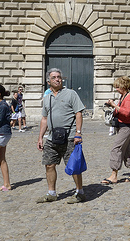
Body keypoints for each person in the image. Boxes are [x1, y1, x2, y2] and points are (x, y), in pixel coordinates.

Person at [36, 68, 86, 204]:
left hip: (70, 136)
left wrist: (78, 133)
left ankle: (80, 192)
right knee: (49, 164)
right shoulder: (47, 98)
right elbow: (44, 119)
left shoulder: (71, 94)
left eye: (59, 77)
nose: (58, 79)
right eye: (54, 77)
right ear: (48, 81)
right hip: (52, 138)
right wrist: (40, 137)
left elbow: (78, 114)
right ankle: (51, 193)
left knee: (74, 165)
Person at [101, 76, 130, 184]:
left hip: (127, 127)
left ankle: (114, 175)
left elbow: (126, 112)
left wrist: (114, 105)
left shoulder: (129, 97)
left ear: (123, 86)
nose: (116, 89)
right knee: (126, 149)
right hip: (122, 126)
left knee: (116, 148)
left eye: (118, 87)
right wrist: (111, 106)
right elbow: (119, 111)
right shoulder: (122, 97)